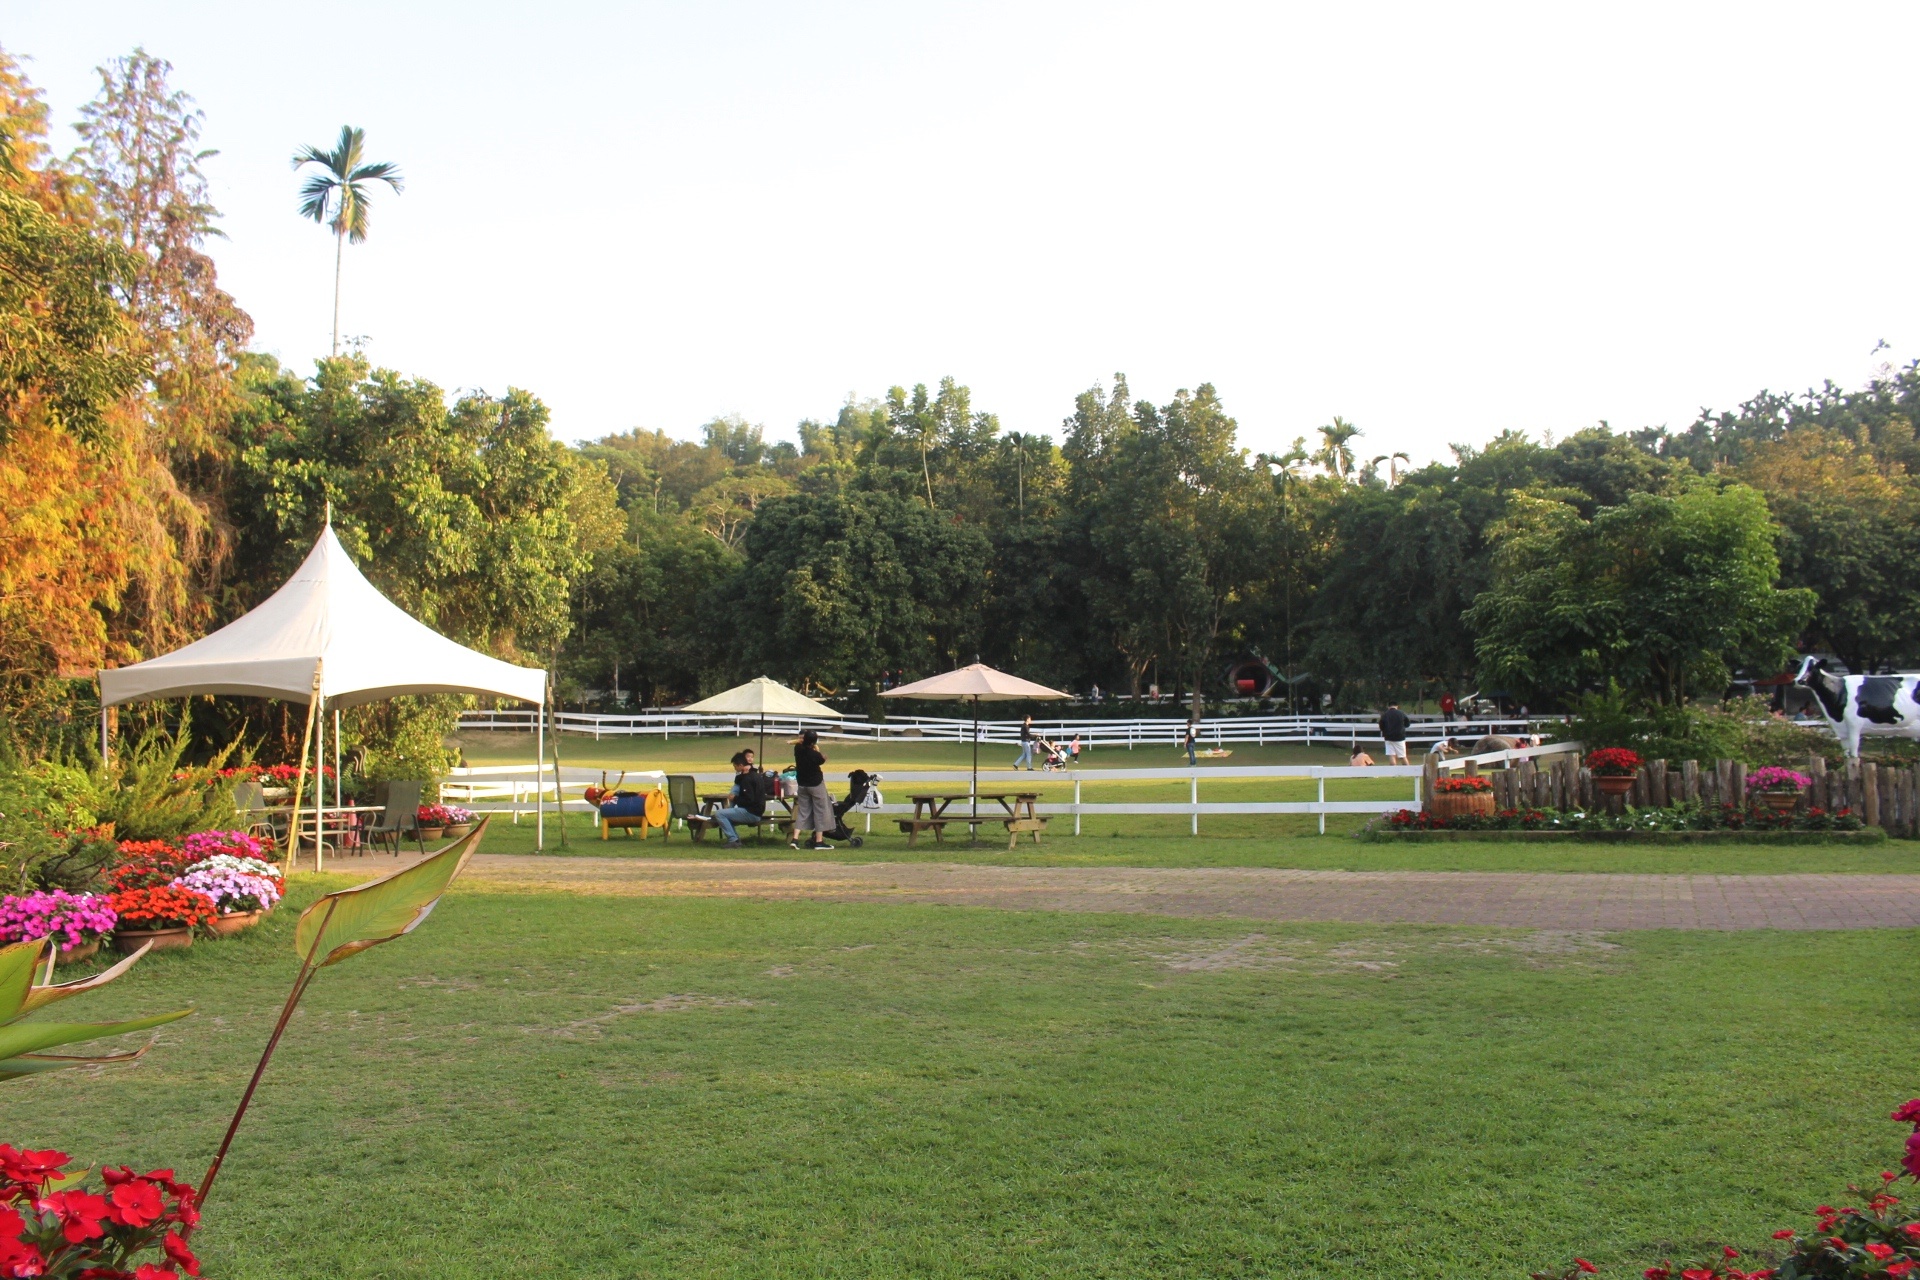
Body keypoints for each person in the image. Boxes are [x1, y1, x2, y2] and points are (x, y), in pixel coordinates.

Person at [708, 751, 773, 848]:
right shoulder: (754, 775)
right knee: (726, 814)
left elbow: (749, 800)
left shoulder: (747, 780)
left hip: (751, 812)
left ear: (741, 765)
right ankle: (736, 840)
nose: (735, 769)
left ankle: (733, 839)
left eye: (735, 766)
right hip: (757, 811)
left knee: (720, 814)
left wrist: (735, 798)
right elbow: (739, 781)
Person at [789, 729, 834, 850]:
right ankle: (819, 841)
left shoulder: (798, 749)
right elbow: (822, 759)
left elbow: (798, 743)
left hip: (802, 784)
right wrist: (822, 755)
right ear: (814, 742)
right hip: (816, 784)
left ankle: (795, 839)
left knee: (803, 812)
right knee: (820, 811)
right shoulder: (815, 754)